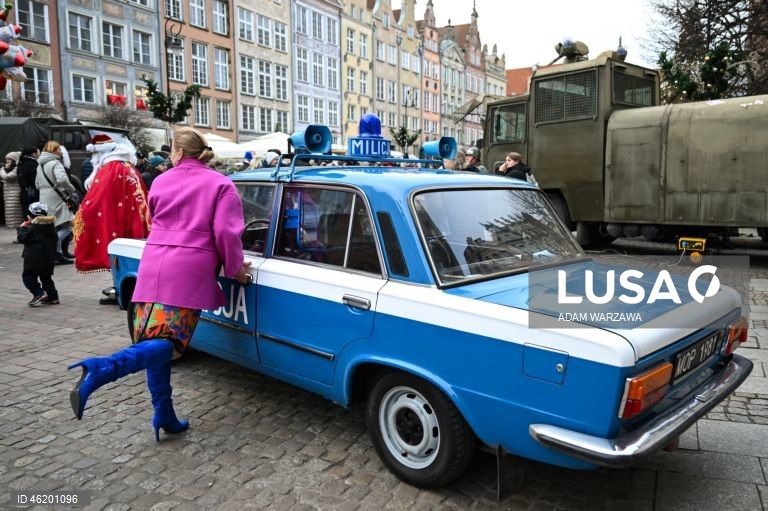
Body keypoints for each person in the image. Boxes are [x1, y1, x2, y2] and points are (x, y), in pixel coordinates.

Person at [66, 127, 251, 441]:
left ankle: (164, 413)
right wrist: (236, 270)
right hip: (190, 268)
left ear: (177, 152)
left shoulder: (162, 180)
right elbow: (226, 234)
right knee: (171, 343)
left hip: (154, 263)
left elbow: (154, 219)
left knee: (155, 338)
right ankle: (105, 368)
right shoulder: (221, 184)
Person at [73, 134, 150, 278]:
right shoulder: (126, 165)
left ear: (102, 152)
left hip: (121, 218)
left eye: (95, 153)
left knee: (119, 254)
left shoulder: (111, 168)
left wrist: (83, 212)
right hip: (135, 219)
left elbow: (99, 196)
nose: (93, 157)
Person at [36, 141, 76, 265]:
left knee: (53, 226)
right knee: (69, 225)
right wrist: (71, 190)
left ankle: (57, 253)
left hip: (44, 198)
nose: (60, 151)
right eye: (58, 149)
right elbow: (63, 180)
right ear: (53, 150)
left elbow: (37, 184)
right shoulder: (56, 163)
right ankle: (51, 247)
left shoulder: (39, 165)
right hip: (58, 197)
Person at [18, 201, 59, 307]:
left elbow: (23, 239)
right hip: (48, 259)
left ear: (31, 216)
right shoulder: (51, 227)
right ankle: (53, 297)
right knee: (46, 278)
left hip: (34, 259)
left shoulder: (34, 229)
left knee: (28, 277)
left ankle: (38, 293)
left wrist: (22, 228)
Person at [1, 151, 23, 228]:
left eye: (9, 159)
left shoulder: (17, 168)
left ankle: (15, 226)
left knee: (14, 211)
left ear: (14, 160)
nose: (7, 161)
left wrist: (2, 170)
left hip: (14, 193)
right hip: (9, 194)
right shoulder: (10, 168)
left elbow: (8, 177)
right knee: (9, 212)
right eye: (6, 159)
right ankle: (11, 225)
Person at [18, 146, 40, 217]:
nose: (39, 155)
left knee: (27, 217)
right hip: (33, 194)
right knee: (35, 217)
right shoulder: (33, 164)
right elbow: (35, 180)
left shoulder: (20, 164)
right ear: (34, 154)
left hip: (24, 193)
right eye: (38, 153)